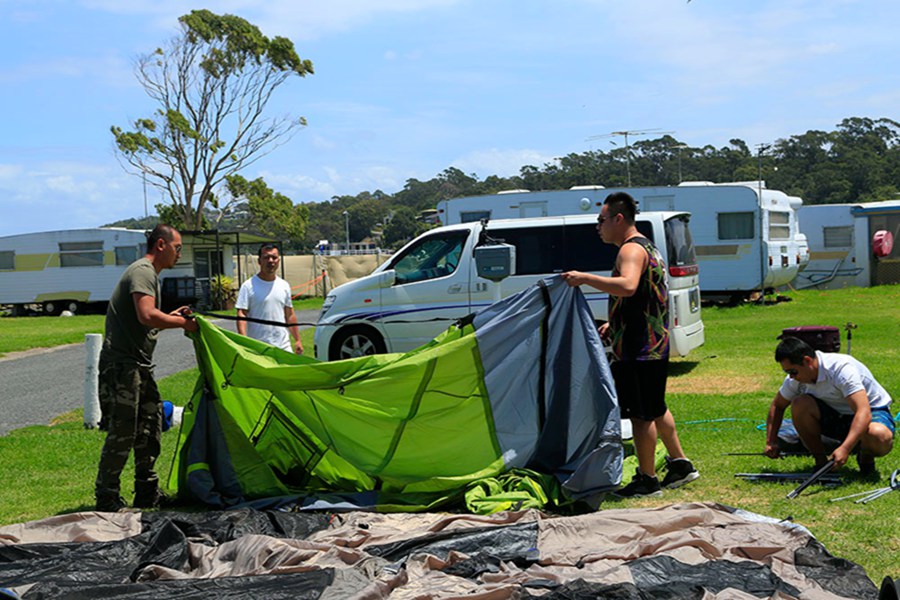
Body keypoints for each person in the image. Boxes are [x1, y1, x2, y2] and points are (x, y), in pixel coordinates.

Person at [562, 191, 698, 497]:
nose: (598, 227)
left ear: (618, 219)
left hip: (640, 348)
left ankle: (647, 480)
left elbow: (628, 285)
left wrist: (584, 278)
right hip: (653, 343)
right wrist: (615, 323)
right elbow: (644, 295)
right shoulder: (647, 245)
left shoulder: (630, 250)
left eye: (601, 220)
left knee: (640, 415)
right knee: (655, 407)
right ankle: (680, 464)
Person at [95, 224, 198, 512]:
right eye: (177, 248)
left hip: (138, 365)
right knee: (123, 432)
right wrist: (184, 323)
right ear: (161, 245)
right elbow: (146, 315)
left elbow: (147, 321)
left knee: (150, 427)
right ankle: (107, 498)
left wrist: (170, 317)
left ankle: (147, 493)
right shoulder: (143, 271)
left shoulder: (149, 274)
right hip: (123, 367)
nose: (179, 254)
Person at [765, 336, 894, 474]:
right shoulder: (795, 380)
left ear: (807, 361)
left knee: (878, 435)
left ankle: (865, 457)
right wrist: (771, 441)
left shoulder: (841, 369)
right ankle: (821, 463)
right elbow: (778, 406)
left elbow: (863, 412)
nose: (791, 377)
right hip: (835, 415)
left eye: (793, 372)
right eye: (787, 372)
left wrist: (845, 448)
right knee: (800, 404)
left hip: (871, 412)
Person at [235, 244, 303, 354]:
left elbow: (289, 315)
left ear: (279, 261)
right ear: (259, 261)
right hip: (259, 348)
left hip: (283, 346)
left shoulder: (284, 285)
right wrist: (244, 340)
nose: (271, 261)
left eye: (274, 257)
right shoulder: (248, 286)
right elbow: (241, 314)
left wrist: (298, 340)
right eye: (266, 257)